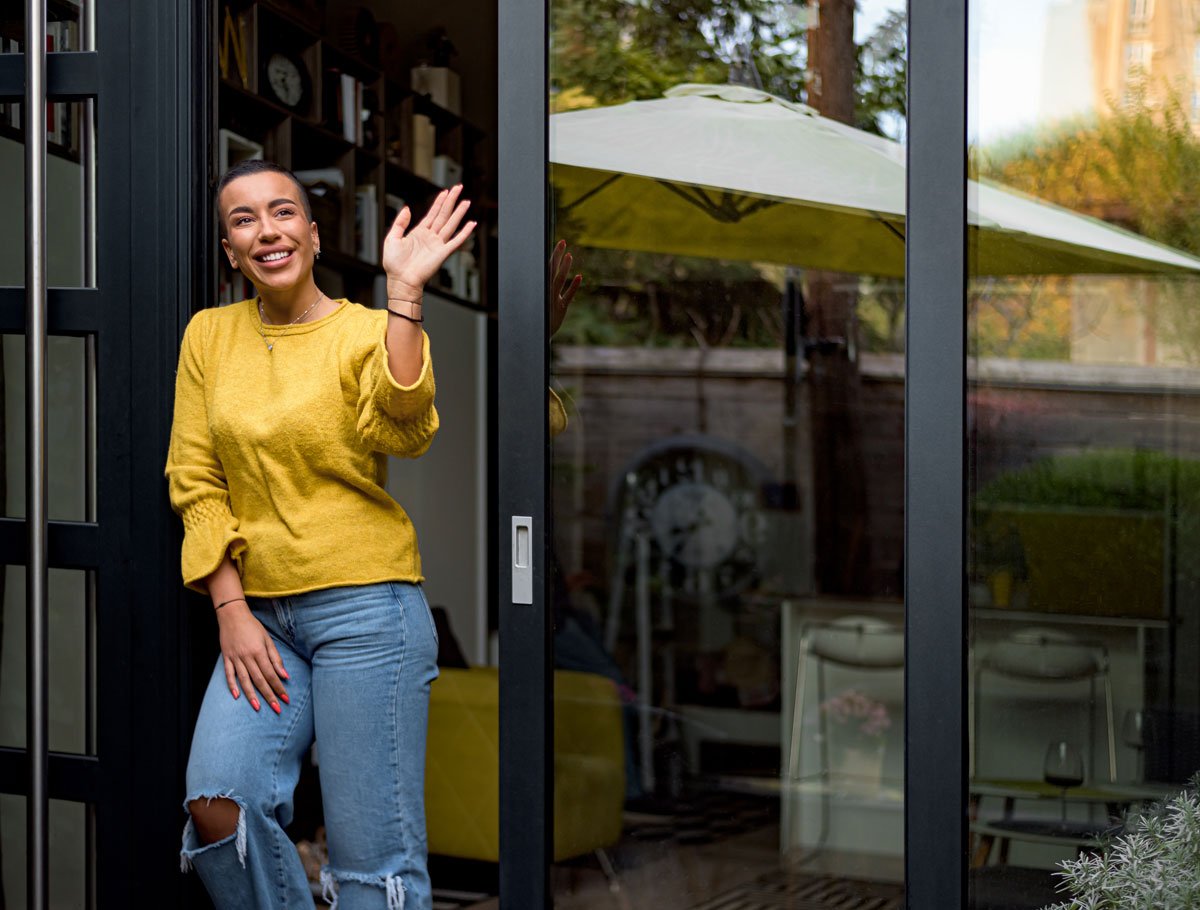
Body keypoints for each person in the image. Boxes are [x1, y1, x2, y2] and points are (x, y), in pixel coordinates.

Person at [166, 158, 474, 910]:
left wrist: (405, 296)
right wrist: (230, 610)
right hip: (261, 617)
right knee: (218, 803)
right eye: (243, 220)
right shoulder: (210, 336)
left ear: (311, 231)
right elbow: (195, 480)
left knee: (373, 858)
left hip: (368, 612)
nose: (266, 230)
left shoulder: (366, 331)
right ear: (231, 252)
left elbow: (404, 423)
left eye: (281, 213)